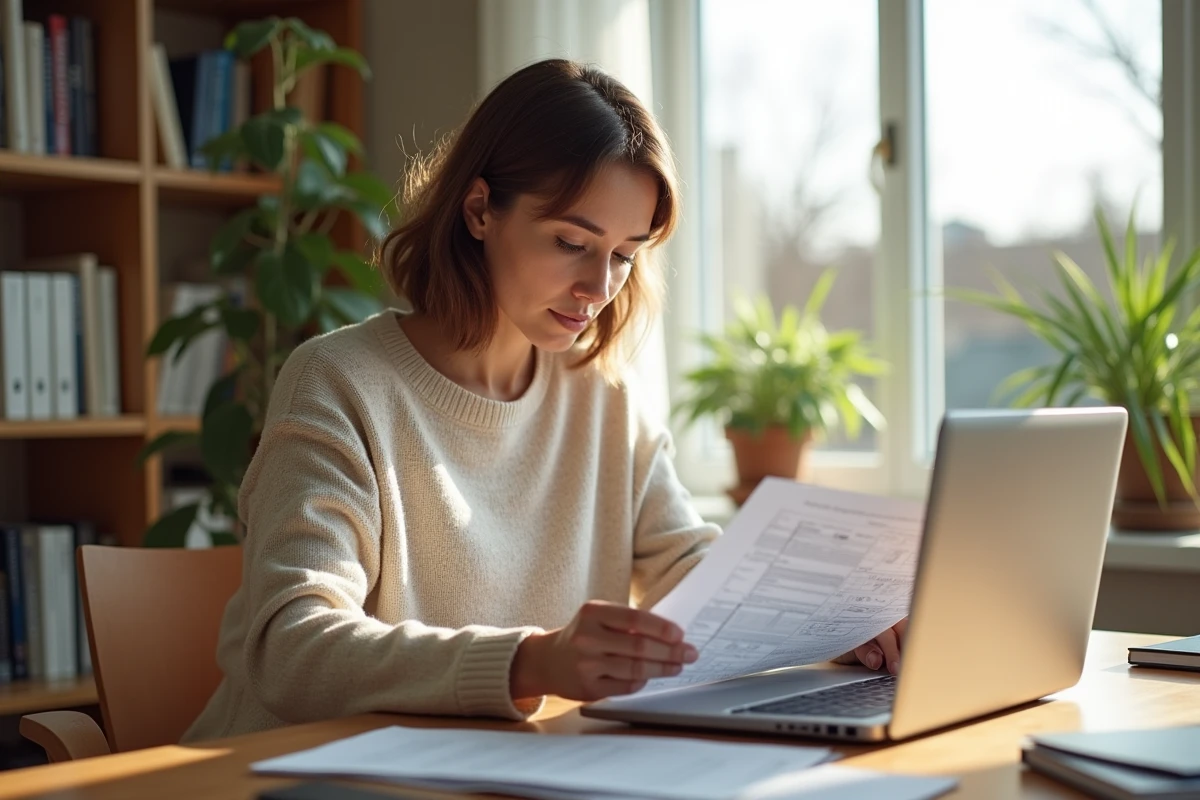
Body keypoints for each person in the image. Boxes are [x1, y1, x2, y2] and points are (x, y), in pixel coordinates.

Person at [182, 58, 902, 743]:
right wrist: (531, 661)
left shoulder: (605, 397)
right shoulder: (338, 382)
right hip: (292, 772)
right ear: (478, 210)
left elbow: (693, 567)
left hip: (489, 767)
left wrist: (835, 622)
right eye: (570, 241)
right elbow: (291, 645)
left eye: (624, 254)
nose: (599, 286)